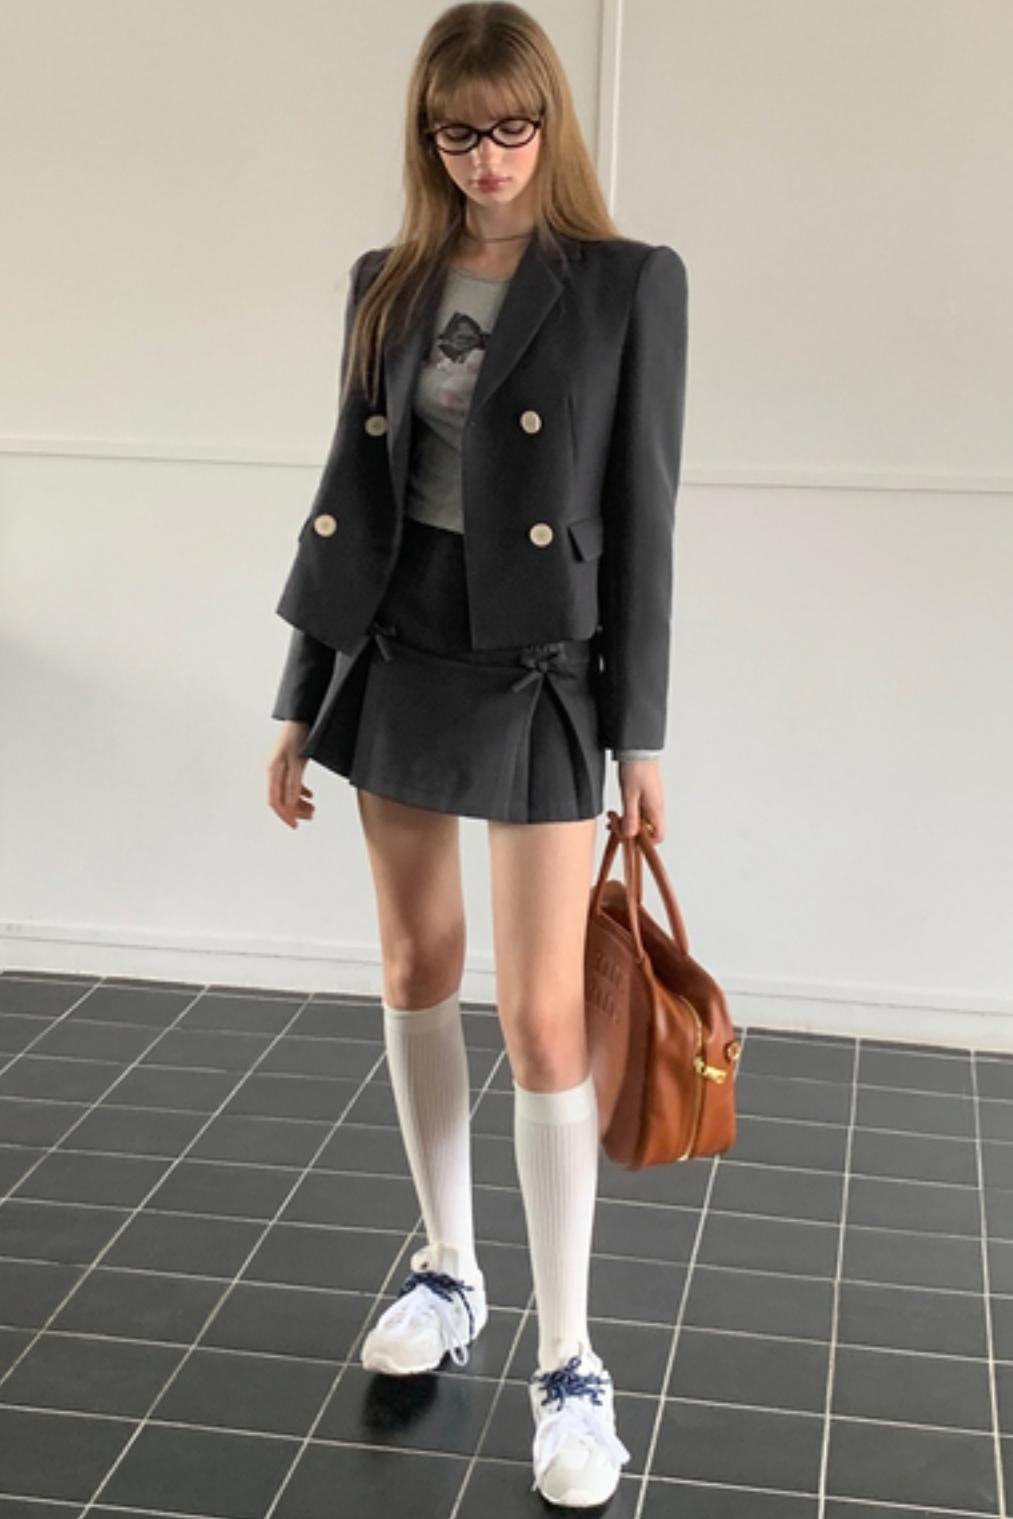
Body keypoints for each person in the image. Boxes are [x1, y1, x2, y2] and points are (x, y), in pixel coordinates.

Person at [266, 2, 687, 1507]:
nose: (488, 159)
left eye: (513, 129)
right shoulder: (386, 284)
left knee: (546, 1016)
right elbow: (347, 499)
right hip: (396, 651)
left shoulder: (626, 282)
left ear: (548, 124)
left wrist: (639, 735)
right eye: (459, 134)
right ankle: (449, 1269)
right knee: (412, 968)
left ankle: (570, 1361)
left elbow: (643, 517)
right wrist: (297, 696)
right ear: (427, 136)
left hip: (540, 675)